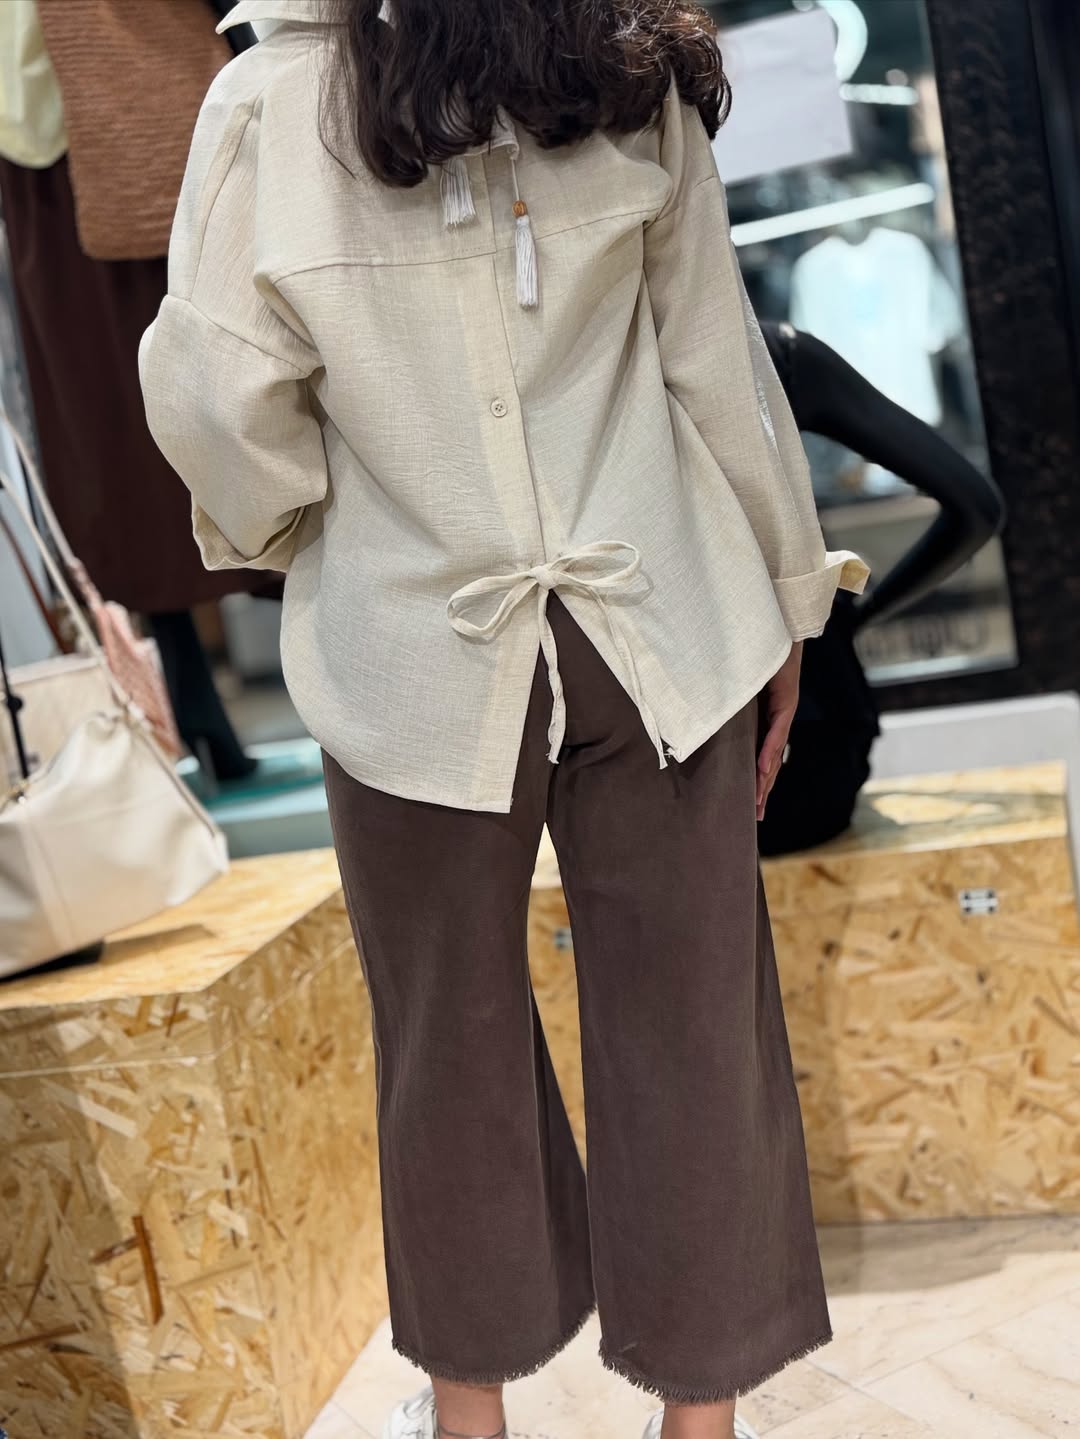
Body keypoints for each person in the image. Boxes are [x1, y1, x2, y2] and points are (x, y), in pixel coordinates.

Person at [139, 3, 868, 1437]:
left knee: (444, 1037)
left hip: (413, 636)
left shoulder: (269, 100)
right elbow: (715, 360)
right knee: (694, 1025)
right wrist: (791, 598)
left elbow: (220, 396)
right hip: (656, 615)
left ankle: (468, 1418)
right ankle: (701, 1425)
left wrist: (303, 523)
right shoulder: (629, 67)